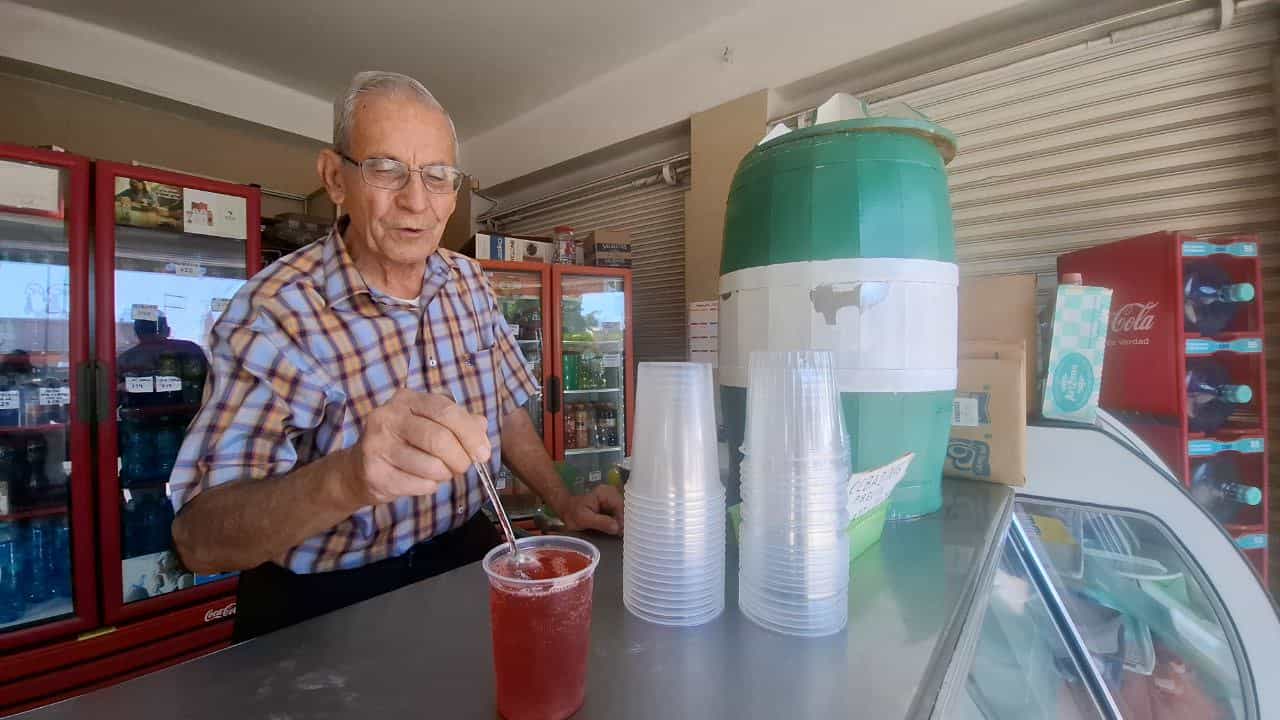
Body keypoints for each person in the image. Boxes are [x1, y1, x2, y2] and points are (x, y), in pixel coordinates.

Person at [169, 71, 624, 641]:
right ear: (335, 178)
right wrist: (348, 478)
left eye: (437, 176)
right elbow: (199, 539)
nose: (416, 200)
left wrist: (564, 500)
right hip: (325, 599)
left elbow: (506, 412)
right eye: (386, 169)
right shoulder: (274, 313)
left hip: (461, 555)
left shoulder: (468, 281)